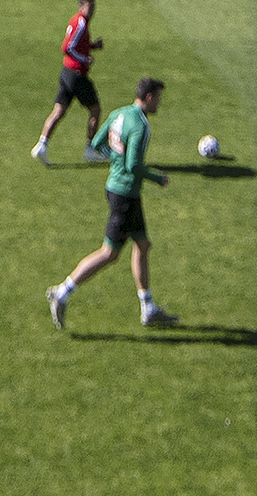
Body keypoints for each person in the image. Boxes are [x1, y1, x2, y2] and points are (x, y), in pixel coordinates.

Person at [49, 77, 171, 329]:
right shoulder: (140, 125)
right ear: (149, 97)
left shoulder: (119, 113)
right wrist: (157, 178)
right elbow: (133, 165)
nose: (159, 103)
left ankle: (148, 307)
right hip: (125, 194)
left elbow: (97, 143)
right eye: (158, 98)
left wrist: (115, 158)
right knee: (109, 253)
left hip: (117, 189)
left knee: (143, 244)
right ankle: (62, 292)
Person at [31, 0, 104, 161]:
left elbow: (78, 44)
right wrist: (84, 59)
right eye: (89, 7)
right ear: (81, 6)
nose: (92, 10)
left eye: (94, 7)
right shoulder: (81, 23)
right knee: (95, 109)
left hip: (66, 73)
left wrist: (93, 46)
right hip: (77, 75)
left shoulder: (77, 20)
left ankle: (41, 145)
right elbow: (67, 47)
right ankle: (90, 149)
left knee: (58, 111)